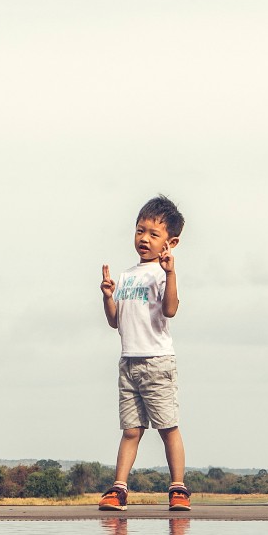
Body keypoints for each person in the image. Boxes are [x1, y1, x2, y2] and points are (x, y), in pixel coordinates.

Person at [96, 196, 192, 513]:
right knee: (131, 431)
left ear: (171, 242)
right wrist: (109, 296)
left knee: (167, 427)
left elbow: (171, 310)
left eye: (153, 234)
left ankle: (178, 488)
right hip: (129, 362)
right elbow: (115, 321)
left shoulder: (162, 273)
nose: (144, 239)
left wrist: (172, 274)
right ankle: (119, 489)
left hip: (157, 361)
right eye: (140, 231)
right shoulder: (126, 276)